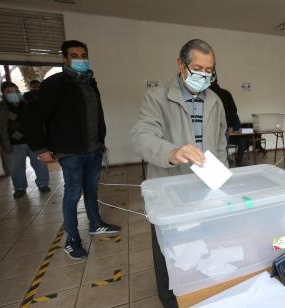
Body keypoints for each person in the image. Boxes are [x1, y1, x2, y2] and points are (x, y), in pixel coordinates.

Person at [131, 39, 227, 307]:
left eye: (209, 70)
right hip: (169, 187)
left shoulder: (215, 100)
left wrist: (222, 179)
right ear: (180, 64)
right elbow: (141, 136)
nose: (204, 75)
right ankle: (170, 298)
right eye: (198, 68)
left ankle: (197, 289)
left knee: (200, 244)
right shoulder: (158, 97)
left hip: (204, 187)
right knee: (168, 249)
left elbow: (220, 143)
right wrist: (171, 152)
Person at [23, 40, 120, 260]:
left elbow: (95, 115)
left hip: (93, 148)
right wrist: (40, 147)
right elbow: (32, 117)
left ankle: (95, 224)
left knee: (92, 189)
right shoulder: (55, 83)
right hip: (71, 151)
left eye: (83, 55)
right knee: (73, 193)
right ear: (65, 59)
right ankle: (72, 240)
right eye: (74, 55)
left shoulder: (89, 82)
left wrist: (100, 139)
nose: (80, 59)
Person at [0, 81, 50, 198]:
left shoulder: (29, 104)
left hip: (33, 141)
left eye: (16, 91)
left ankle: (43, 184)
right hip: (12, 143)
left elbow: (40, 121)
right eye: (9, 92)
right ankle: (20, 188)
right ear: (3, 94)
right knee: (16, 167)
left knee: (40, 164)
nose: (13, 93)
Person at [209, 77, 246, 166]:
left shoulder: (206, 94)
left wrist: (232, 127)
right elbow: (234, 109)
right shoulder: (226, 93)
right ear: (216, 80)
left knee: (214, 148)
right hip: (223, 129)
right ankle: (226, 164)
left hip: (212, 128)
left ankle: (234, 163)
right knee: (222, 148)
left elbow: (237, 122)